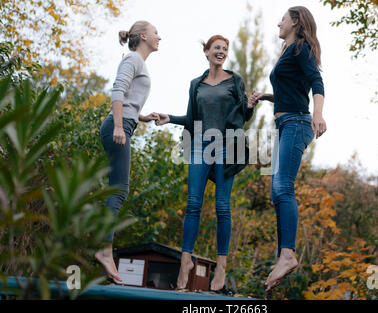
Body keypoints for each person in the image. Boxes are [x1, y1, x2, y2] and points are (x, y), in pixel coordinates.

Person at [153, 35, 254, 291]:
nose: (221, 52)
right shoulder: (196, 84)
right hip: (199, 145)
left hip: (226, 147)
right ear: (207, 52)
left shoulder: (235, 80)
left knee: (222, 206)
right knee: (193, 204)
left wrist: (250, 106)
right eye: (216, 48)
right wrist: (170, 118)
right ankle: (185, 260)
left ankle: (221, 265)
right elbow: (192, 118)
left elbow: (243, 114)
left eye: (225, 49)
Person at [249, 6, 326, 292]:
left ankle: (288, 254)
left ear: (295, 21)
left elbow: (317, 83)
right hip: (286, 124)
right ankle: (285, 254)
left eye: (282, 18)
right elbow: (291, 89)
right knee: (276, 190)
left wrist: (318, 114)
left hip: (297, 123)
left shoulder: (301, 49)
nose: (277, 23)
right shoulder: (288, 51)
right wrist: (267, 96)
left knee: (283, 187)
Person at [94, 21, 161, 284]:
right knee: (119, 190)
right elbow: (118, 91)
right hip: (117, 127)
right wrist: (120, 125)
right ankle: (104, 249)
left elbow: (129, 98)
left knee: (117, 189)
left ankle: (104, 247)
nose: (159, 37)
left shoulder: (138, 61)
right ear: (143, 36)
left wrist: (141, 117)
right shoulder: (132, 58)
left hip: (124, 125)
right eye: (156, 33)